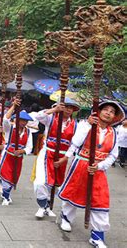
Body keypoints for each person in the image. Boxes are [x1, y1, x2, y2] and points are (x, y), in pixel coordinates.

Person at [57, 101, 124, 248]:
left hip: (98, 170)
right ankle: (66, 218)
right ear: (98, 112)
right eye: (105, 109)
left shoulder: (114, 132)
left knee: (100, 200)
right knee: (73, 193)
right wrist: (87, 125)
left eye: (112, 111)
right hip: (80, 165)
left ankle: (97, 236)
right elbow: (75, 142)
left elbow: (113, 155)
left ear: (114, 117)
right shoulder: (85, 125)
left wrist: (100, 166)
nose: (108, 113)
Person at [32, 98, 79, 219]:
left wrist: (65, 158)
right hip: (47, 153)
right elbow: (38, 116)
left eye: (71, 108)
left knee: (55, 184)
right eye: (66, 106)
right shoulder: (51, 118)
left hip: (64, 157)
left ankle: (48, 207)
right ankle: (42, 205)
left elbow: (75, 144)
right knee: (40, 182)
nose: (68, 110)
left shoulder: (75, 125)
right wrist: (54, 109)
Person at [0, 100, 33, 206]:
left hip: (19, 158)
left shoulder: (28, 132)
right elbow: (5, 119)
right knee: (6, 176)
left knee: (14, 177)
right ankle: (6, 197)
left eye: (25, 121)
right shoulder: (10, 128)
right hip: (8, 156)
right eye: (21, 120)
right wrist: (13, 106)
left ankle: (6, 194)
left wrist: (22, 151)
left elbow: (30, 147)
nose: (23, 123)